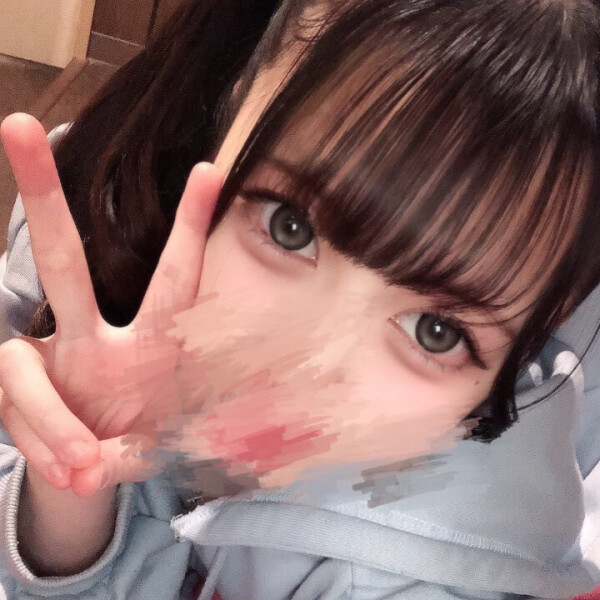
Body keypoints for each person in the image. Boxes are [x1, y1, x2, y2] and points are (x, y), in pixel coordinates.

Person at [0, 0, 599, 598]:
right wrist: (68, 500)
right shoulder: (93, 210)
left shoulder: (408, 578)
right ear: (235, 103)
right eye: (291, 228)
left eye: (435, 331)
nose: (309, 363)